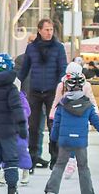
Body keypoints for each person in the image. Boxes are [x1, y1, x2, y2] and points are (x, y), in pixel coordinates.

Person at [18, 18, 68, 168]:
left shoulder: (58, 47)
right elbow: (24, 69)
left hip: (53, 91)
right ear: (39, 30)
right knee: (33, 126)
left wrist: (61, 86)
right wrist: (16, 84)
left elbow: (63, 68)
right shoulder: (31, 48)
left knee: (53, 125)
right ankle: (32, 157)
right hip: (35, 91)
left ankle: (55, 157)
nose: (49, 32)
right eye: (46, 29)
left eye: (51, 29)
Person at [45, 70, 99, 194]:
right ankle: (87, 191)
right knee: (83, 167)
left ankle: (51, 190)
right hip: (80, 142)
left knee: (60, 165)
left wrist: (53, 138)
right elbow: (98, 123)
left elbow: (56, 124)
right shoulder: (88, 105)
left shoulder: (62, 105)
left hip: (65, 141)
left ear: (67, 86)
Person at [0, 53, 29, 194]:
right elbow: (17, 108)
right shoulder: (11, 88)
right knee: (11, 160)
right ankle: (12, 188)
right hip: (8, 132)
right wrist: (22, 126)